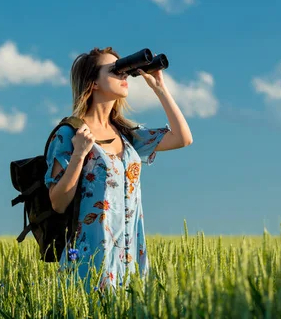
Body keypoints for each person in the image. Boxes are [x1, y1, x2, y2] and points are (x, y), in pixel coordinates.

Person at [44, 46, 193, 291]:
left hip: (131, 260)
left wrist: (159, 88)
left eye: (124, 69)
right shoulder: (69, 134)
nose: (124, 76)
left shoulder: (126, 135)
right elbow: (58, 202)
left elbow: (182, 138)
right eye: (115, 70)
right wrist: (80, 153)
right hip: (89, 263)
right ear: (92, 82)